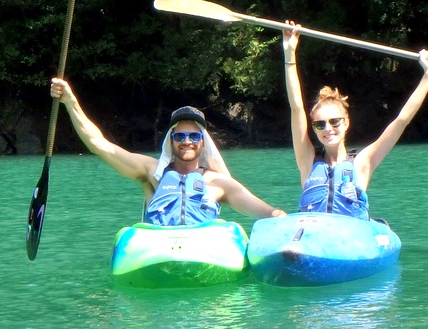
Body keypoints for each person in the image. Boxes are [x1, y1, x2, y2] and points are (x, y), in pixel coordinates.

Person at [50, 78, 285, 225]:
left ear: (203, 142)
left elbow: (266, 212)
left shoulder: (221, 183)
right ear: (170, 140)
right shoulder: (151, 171)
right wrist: (70, 102)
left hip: (204, 247)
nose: (187, 142)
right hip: (158, 245)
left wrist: (279, 216)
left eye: (194, 136)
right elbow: (98, 144)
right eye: (180, 136)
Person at [282, 24, 428, 220]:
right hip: (315, 238)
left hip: (351, 242)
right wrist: (289, 52)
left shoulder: (363, 162)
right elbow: (296, 107)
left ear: (346, 123)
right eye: (319, 124)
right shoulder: (307, 161)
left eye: (334, 122)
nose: (327, 128)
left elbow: (401, 120)